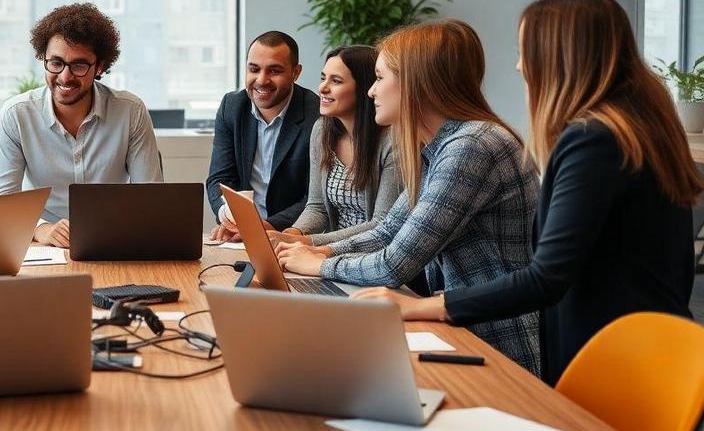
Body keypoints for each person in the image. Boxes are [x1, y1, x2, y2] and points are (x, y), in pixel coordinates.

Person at [352, 0, 701, 384]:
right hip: (648, 350)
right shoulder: (636, 128)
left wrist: (425, 307)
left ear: (558, 56)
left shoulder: (593, 140)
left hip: (614, 362)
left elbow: (546, 277)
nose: (519, 66)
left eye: (524, 50)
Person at [275, 20, 541, 374]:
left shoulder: (472, 147)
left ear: (416, 84)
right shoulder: (438, 147)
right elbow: (388, 230)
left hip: (495, 346)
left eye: (381, 78)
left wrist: (319, 265)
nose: (372, 91)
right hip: (458, 333)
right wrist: (317, 250)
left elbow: (394, 264)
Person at [0, 2, 163, 247]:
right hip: (43, 247)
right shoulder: (16, 115)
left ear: (99, 66)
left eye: (79, 65)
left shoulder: (130, 112)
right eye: (56, 63)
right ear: (44, 59)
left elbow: (151, 201)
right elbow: (1, 208)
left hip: (113, 240)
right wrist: (43, 229)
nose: (65, 77)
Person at [273, 45, 401, 247]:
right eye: (323, 78)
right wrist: (293, 233)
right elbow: (317, 207)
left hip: (371, 258)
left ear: (365, 88)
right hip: (328, 253)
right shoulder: (322, 131)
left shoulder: (393, 142)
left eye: (336, 81)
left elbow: (381, 224)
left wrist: (309, 241)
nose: (322, 88)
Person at [205, 31, 320, 241]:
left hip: (291, 235)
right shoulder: (232, 107)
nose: (261, 80)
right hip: (239, 235)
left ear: (296, 73)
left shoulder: (317, 115)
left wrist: (266, 226)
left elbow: (315, 197)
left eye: (274, 70)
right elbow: (219, 179)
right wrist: (230, 218)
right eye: (254, 69)